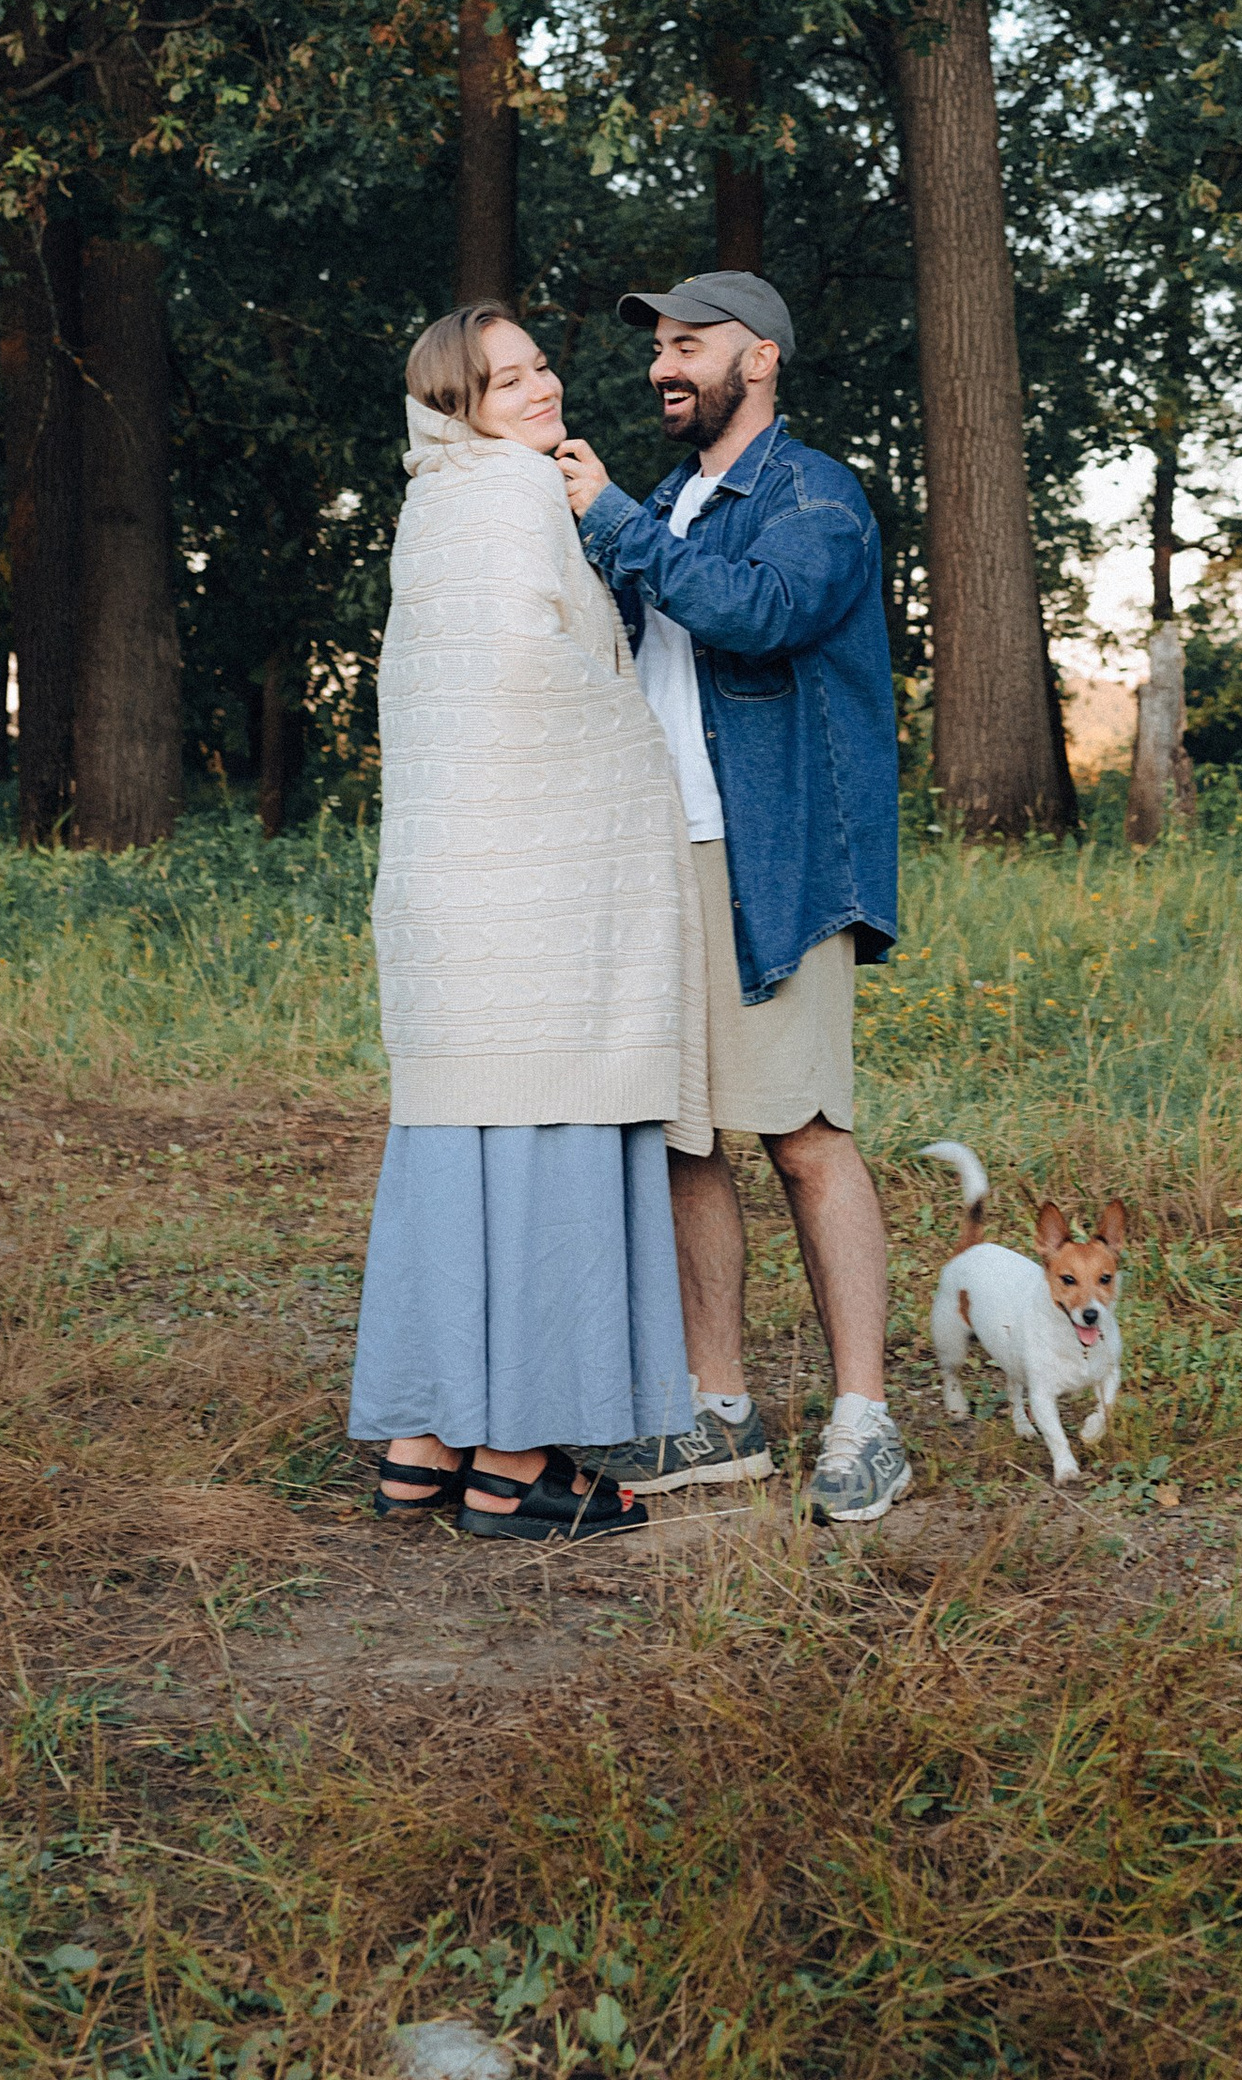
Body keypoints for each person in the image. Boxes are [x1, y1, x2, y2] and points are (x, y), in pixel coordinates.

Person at [348, 300, 711, 1539]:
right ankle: (512, 1465)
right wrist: (637, 744)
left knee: (459, 1161)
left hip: (452, 902)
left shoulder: (432, 502)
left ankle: (423, 1444)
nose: (543, 387)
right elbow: (522, 678)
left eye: (541, 365)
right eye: (509, 380)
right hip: (533, 904)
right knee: (552, 1144)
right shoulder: (511, 493)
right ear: (458, 406)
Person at [553, 269, 910, 1525]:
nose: (664, 364)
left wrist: (610, 518)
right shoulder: (668, 499)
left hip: (774, 859)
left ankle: (866, 1420)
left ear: (759, 357)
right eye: (658, 345)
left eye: (689, 343)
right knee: (685, 1139)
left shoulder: (814, 496)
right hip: (658, 862)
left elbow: (758, 614)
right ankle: (723, 1411)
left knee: (804, 1134)